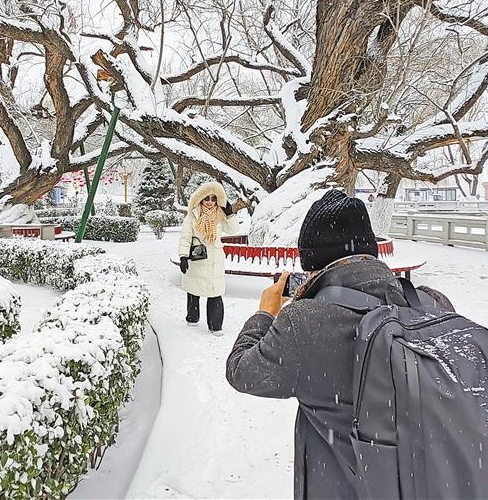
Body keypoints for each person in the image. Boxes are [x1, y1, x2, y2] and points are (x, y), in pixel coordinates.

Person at [225, 189, 454, 499]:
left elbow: (241, 371)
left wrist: (265, 313)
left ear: (313, 262)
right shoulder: (431, 303)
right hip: (428, 484)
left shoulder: (305, 323)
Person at [178, 181, 239, 335]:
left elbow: (233, 230)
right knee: (194, 289)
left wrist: (230, 214)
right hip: (198, 258)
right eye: (207, 198)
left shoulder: (220, 215)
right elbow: (185, 237)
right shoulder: (192, 215)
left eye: (213, 198)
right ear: (201, 199)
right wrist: (183, 256)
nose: (210, 202)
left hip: (215, 260)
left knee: (215, 292)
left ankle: (215, 326)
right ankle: (192, 317)